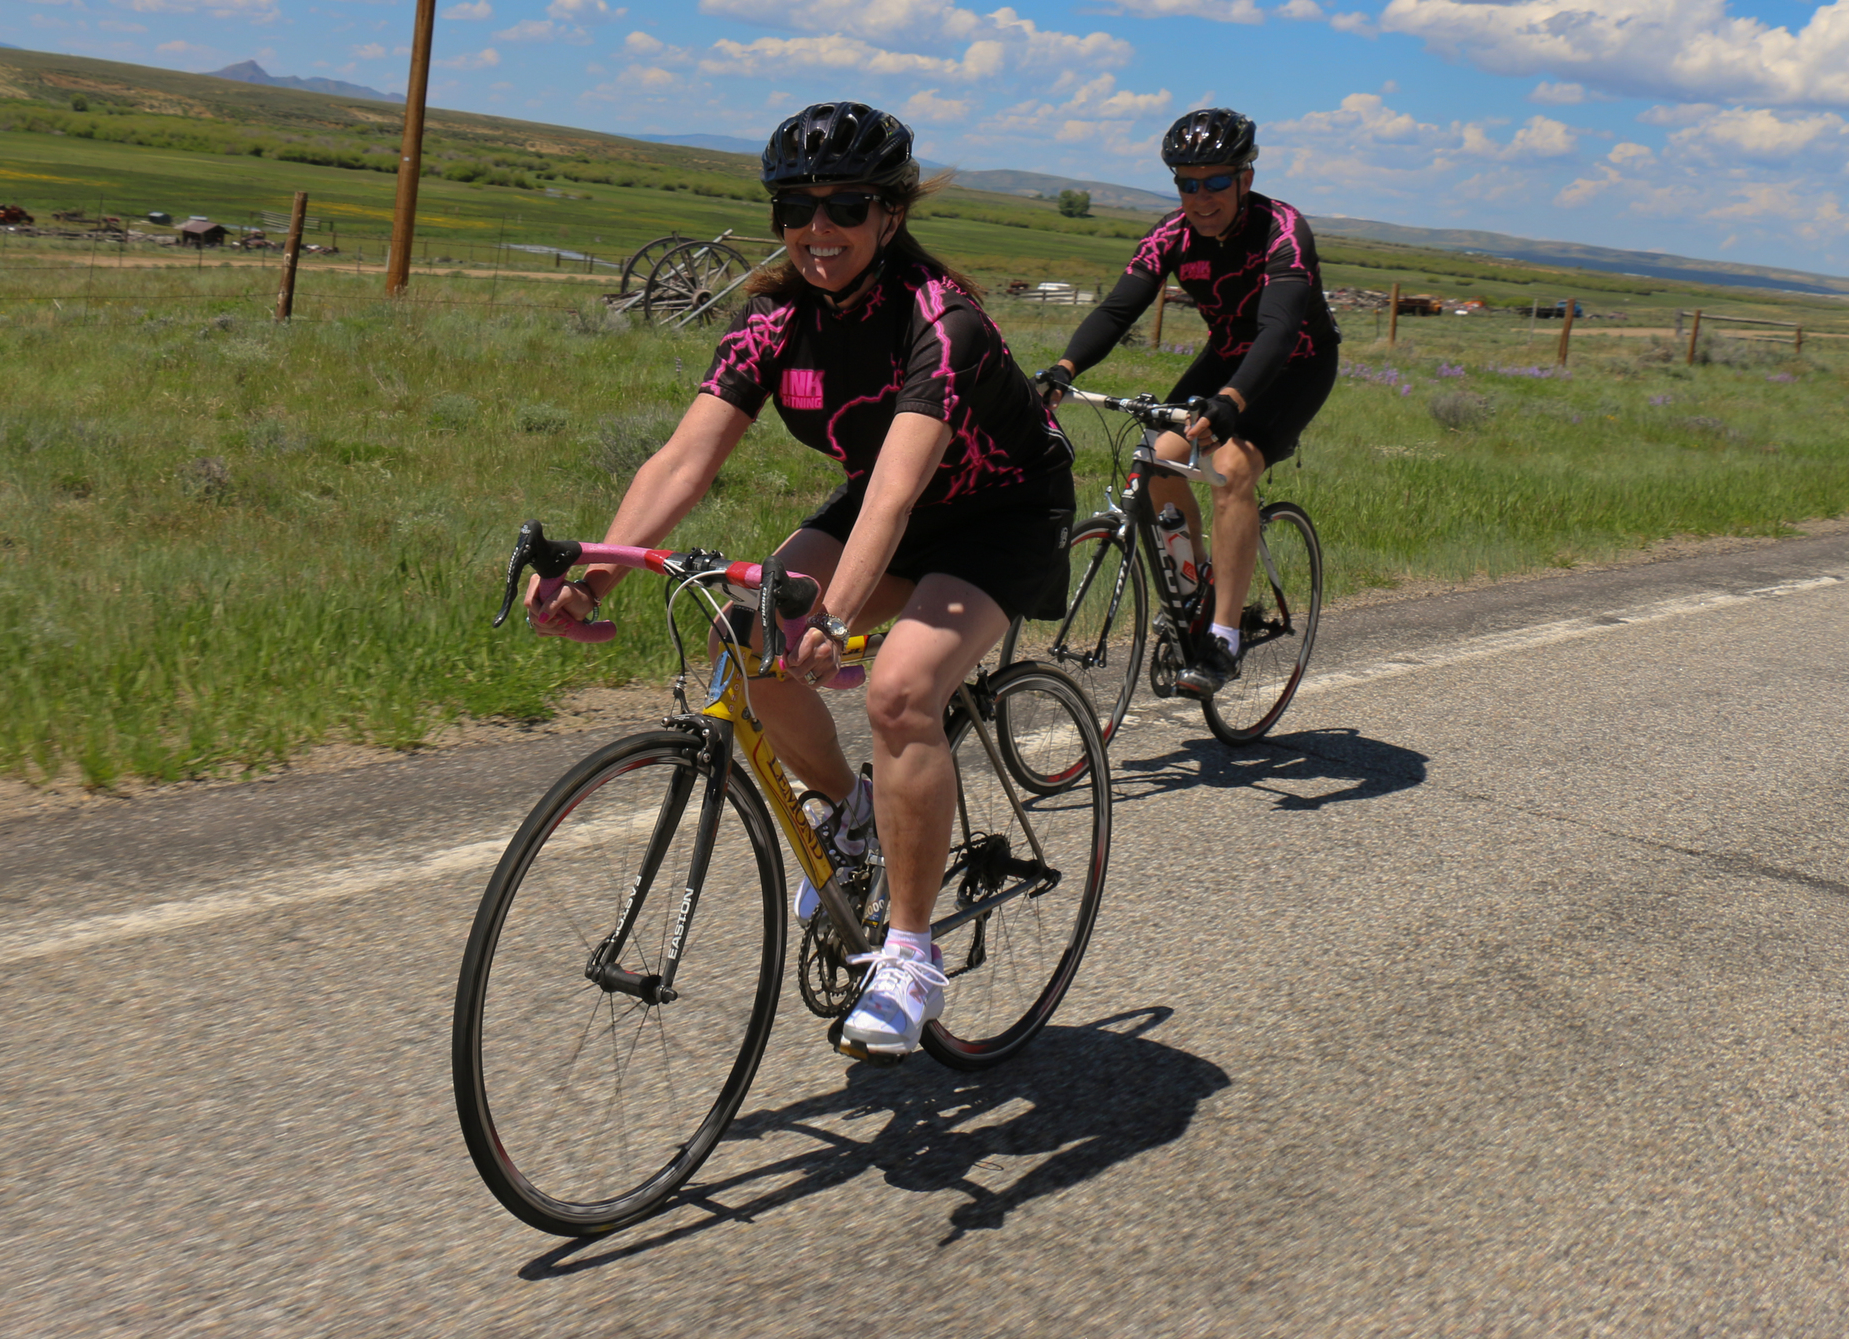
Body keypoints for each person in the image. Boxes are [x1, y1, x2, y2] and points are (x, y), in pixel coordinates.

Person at [526, 101, 1076, 1059]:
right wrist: (596, 575)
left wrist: (834, 613)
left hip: (1001, 514)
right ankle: (852, 811)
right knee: (741, 640)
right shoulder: (774, 316)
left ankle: (910, 956)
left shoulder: (942, 323)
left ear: (891, 215)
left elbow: (899, 494)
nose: (819, 230)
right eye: (796, 207)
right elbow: (680, 462)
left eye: (846, 205)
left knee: (901, 690)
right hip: (888, 506)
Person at [1034, 108, 1339, 697]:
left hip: (1296, 363)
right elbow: (1118, 309)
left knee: (1230, 468)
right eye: (1187, 183)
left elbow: (1277, 330)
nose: (1200, 197)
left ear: (1244, 178)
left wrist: (1230, 400)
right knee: (1154, 461)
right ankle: (1196, 587)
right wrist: (1064, 369)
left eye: (1216, 181)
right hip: (1227, 354)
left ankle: (1223, 636)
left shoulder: (1283, 230)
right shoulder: (1170, 235)